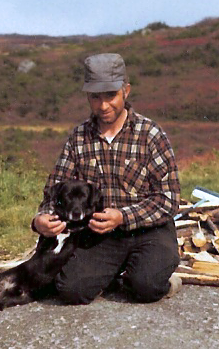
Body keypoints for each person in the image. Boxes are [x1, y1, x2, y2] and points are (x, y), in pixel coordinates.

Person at [32, 53, 181, 304]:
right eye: (95, 97)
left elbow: (169, 199)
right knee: (71, 290)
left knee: (145, 286)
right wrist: (40, 219)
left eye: (110, 96)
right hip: (100, 234)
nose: (103, 106)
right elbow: (54, 192)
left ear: (126, 91)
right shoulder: (78, 138)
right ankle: (114, 274)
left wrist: (123, 216)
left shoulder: (151, 135)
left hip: (149, 231)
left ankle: (162, 279)